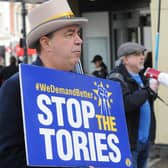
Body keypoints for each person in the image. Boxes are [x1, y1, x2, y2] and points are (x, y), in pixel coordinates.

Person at [0, 0, 88, 167]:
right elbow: (7, 158)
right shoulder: (17, 87)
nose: (79, 40)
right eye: (70, 34)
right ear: (46, 43)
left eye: (78, 33)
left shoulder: (82, 85)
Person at [108, 42, 159, 168]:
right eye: (136, 54)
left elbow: (147, 100)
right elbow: (126, 104)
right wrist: (148, 91)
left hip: (144, 140)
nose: (142, 57)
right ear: (125, 59)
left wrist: (153, 92)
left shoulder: (141, 76)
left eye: (142, 54)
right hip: (129, 143)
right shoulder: (116, 78)